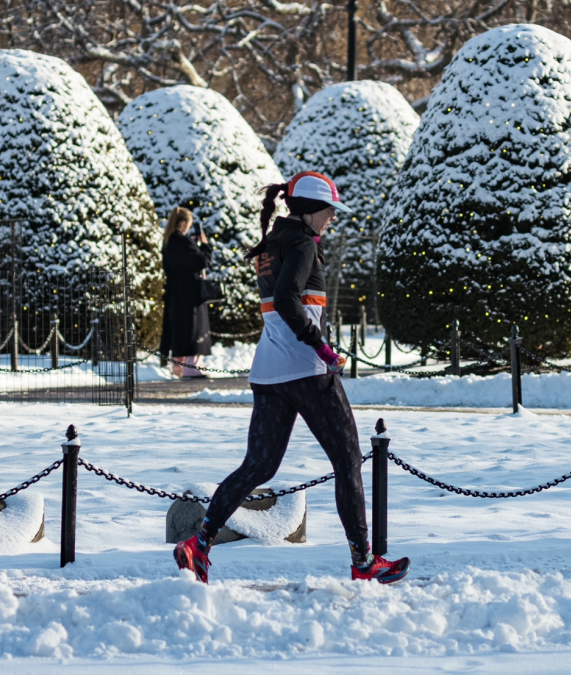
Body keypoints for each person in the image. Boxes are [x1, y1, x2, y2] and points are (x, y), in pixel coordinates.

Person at [174, 171, 409, 585]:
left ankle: (199, 543)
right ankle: (363, 562)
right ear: (313, 210)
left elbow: (280, 300)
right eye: (330, 211)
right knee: (348, 461)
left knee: (258, 466)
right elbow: (287, 299)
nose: (332, 219)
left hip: (269, 372)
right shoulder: (302, 243)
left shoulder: (274, 243)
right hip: (307, 370)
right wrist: (320, 347)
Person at [159, 207, 212, 379]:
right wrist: (205, 246)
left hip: (175, 293)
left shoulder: (168, 242)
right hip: (190, 293)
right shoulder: (182, 241)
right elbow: (201, 261)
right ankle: (192, 366)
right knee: (193, 329)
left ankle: (178, 366)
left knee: (179, 329)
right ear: (183, 224)